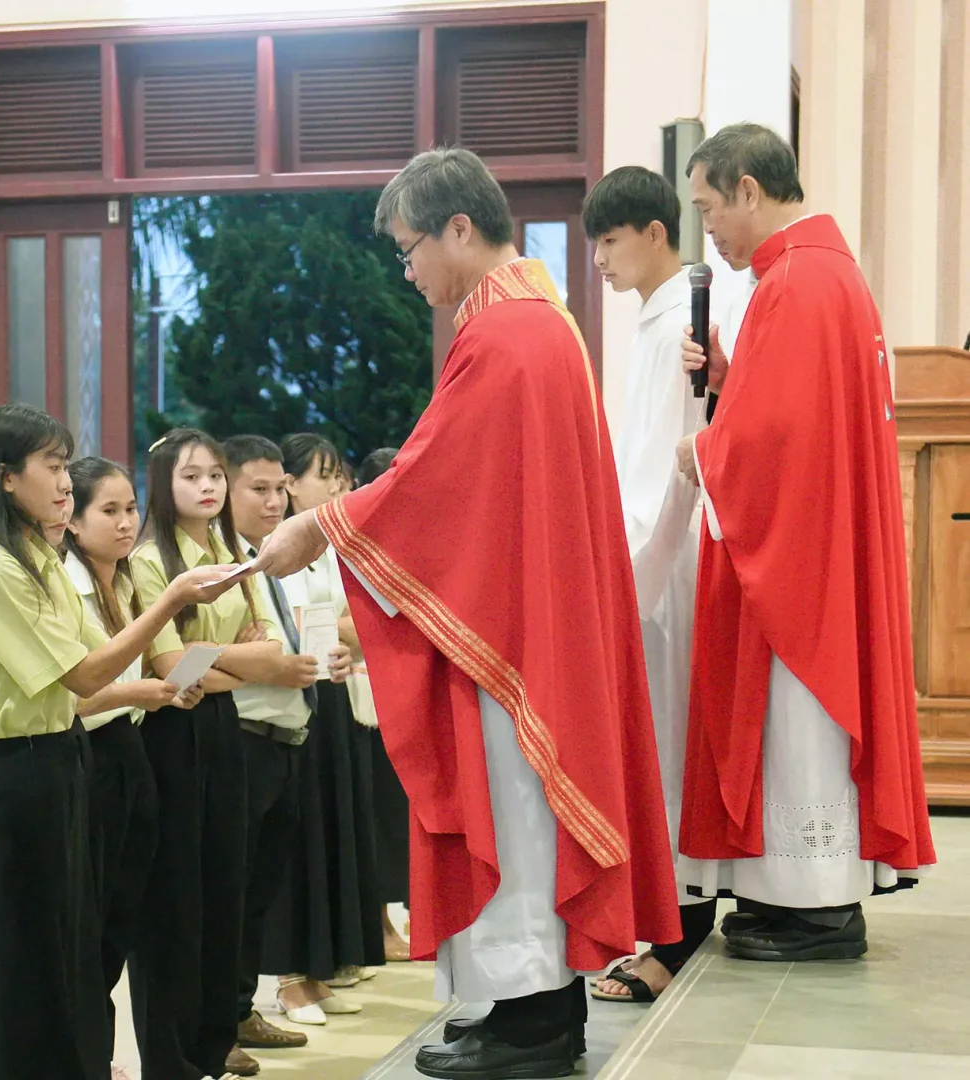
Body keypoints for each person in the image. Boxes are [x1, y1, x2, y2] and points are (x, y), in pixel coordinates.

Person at [253, 147, 681, 1079]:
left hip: (514, 629)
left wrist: (319, 527)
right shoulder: (535, 319)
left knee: (520, 819)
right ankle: (528, 1016)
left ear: (458, 228)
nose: (408, 272)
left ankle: (534, 1028)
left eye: (410, 250)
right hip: (525, 610)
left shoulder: (506, 335)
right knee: (524, 821)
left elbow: (434, 481)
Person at [675, 123, 934, 960]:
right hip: (822, 541)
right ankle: (799, 900)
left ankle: (817, 907)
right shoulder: (825, 273)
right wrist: (729, 379)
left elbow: (775, 436)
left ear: (749, 189)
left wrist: (702, 451)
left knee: (797, 721)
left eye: (709, 208)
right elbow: (795, 412)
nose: (709, 229)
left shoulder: (795, 282)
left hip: (801, 560)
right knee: (800, 723)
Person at [0, 405, 232, 1080]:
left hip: (64, 756)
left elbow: (96, 660)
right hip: (22, 769)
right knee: (33, 960)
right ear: (6, 476)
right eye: (51, 466)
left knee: (74, 952)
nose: (61, 482)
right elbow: (84, 674)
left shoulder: (36, 558)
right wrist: (169, 603)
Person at [581, 165, 716, 1002]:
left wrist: (620, 577)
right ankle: (668, 925)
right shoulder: (657, 321)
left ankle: (677, 933)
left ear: (655, 233)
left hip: (664, 561)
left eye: (609, 240)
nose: (598, 259)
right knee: (660, 748)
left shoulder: (677, 329)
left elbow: (668, 468)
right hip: (653, 554)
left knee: (666, 749)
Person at [128, 428, 289, 1080]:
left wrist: (216, 662)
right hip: (168, 734)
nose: (207, 487)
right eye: (192, 476)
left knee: (226, 884)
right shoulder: (149, 560)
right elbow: (170, 667)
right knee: (175, 897)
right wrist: (238, 660)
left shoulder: (229, 553)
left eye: (215, 475)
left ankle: (214, 1041)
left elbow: (271, 650)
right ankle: (172, 1055)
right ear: (163, 483)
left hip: (221, 724)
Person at [62, 457, 203, 1080]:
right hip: (90, 754)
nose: (125, 524)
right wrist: (138, 692)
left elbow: (156, 666)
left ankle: (103, 1054)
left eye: (130, 509)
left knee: (122, 917)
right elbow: (71, 693)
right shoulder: (66, 584)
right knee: (91, 923)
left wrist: (169, 686)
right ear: (73, 520)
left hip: (132, 748)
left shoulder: (123, 582)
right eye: (109, 511)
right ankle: (89, 1056)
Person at [217, 436, 327, 1064]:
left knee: (259, 894)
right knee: (227, 895)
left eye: (280, 488)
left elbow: (286, 643)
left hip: (288, 737)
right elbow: (181, 663)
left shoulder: (269, 558)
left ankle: (239, 1010)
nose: (274, 501)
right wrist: (267, 667)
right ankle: (215, 1026)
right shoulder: (212, 567)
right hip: (240, 740)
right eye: (257, 489)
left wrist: (315, 663)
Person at [261, 433, 379, 1017]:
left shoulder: (326, 545)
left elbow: (351, 623)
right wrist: (336, 633)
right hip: (286, 697)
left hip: (327, 690)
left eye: (339, 476)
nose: (337, 487)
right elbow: (307, 625)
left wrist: (337, 635)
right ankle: (287, 977)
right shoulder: (273, 550)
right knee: (293, 838)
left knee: (328, 831)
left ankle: (317, 966)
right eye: (324, 476)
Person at [348, 447, 411, 964]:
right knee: (373, 823)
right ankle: (379, 924)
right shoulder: (350, 546)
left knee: (394, 819)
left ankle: (393, 921)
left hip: (397, 697)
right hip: (355, 701)